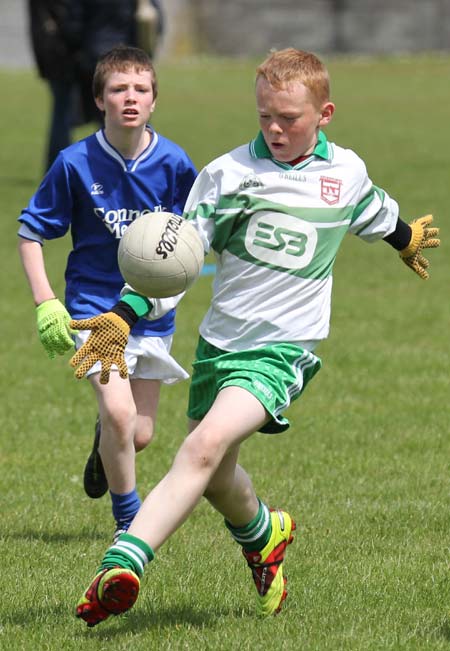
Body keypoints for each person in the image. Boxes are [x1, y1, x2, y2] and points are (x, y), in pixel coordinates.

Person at [71, 48, 440, 626]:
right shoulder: (227, 176)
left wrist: (404, 238)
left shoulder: (345, 173)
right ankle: (264, 533)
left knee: (199, 449)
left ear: (325, 114)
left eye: (289, 118)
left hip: (283, 349)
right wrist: (125, 313)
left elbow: (375, 212)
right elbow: (176, 260)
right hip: (220, 347)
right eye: (265, 115)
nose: (274, 128)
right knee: (216, 477)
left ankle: (124, 562)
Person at [18, 45, 197, 542]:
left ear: (154, 100)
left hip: (152, 316)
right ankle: (127, 522)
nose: (130, 98)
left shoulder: (175, 163)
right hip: (93, 310)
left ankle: (106, 442)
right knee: (119, 412)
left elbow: (194, 233)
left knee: (137, 434)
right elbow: (30, 232)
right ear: (100, 99)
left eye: (141, 89)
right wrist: (46, 303)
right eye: (119, 89)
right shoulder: (75, 162)